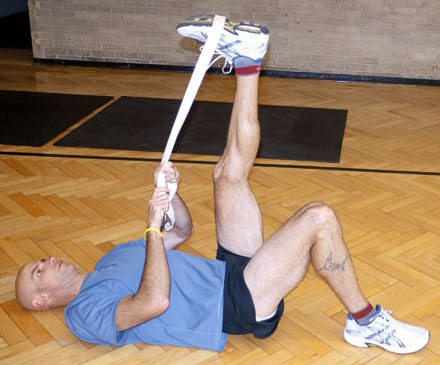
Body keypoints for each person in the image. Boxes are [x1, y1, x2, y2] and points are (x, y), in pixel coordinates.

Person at [15, 14, 429, 354]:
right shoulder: (82, 313)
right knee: (318, 217)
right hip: (231, 308)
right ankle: (366, 322)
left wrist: (169, 198)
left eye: (39, 262)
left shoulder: (112, 258)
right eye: (38, 272)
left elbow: (182, 231)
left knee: (226, 174)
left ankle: (249, 62)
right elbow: (152, 302)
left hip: (227, 274)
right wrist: (150, 230)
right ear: (41, 300)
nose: (47, 261)